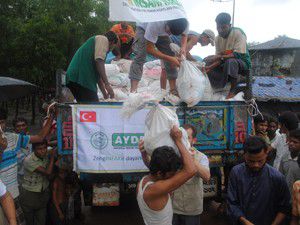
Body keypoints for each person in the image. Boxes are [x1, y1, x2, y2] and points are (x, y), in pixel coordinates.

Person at [0, 105, 56, 225]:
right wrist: (1, 149)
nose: (0, 126)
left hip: (13, 194)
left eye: (2, 122)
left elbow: (40, 137)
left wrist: (51, 116)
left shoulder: (12, 138)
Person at [137, 126, 196, 225]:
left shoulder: (144, 182)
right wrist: (178, 140)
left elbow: (152, 167)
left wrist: (143, 154)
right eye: (171, 173)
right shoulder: (155, 189)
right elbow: (191, 170)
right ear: (160, 173)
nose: (174, 175)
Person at [227, 136, 291, 225]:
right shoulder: (236, 173)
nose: (256, 165)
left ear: (266, 154)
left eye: (260, 161)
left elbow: (285, 207)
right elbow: (232, 203)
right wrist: (245, 222)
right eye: (251, 161)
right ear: (244, 155)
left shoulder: (277, 177)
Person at [129, 18, 189, 99]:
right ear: (167, 22)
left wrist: (183, 48)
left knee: (170, 52)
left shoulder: (184, 22)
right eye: (169, 31)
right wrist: (171, 58)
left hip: (161, 32)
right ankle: (133, 92)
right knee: (140, 56)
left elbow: (184, 35)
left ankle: (173, 90)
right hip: (144, 28)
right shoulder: (156, 22)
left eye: (172, 33)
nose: (170, 34)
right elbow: (149, 49)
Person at [204, 13, 251, 99]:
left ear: (229, 25)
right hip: (225, 63)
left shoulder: (238, 33)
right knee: (207, 61)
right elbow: (219, 59)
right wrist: (209, 67)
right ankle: (217, 87)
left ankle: (233, 90)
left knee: (231, 61)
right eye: (218, 28)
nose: (220, 30)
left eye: (223, 27)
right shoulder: (217, 39)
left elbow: (238, 54)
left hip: (242, 63)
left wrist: (219, 57)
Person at [172, 124, 211, 225]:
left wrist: (192, 160)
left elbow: (206, 176)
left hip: (191, 210)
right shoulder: (171, 156)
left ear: (194, 140)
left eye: (187, 138)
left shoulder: (201, 157)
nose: (183, 141)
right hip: (172, 209)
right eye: (181, 138)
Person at [66, 31, 119, 102]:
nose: (110, 50)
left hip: (75, 78)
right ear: (112, 42)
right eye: (112, 47)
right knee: (93, 107)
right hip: (81, 78)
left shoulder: (97, 46)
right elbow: (99, 60)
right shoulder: (103, 39)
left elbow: (98, 75)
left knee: (86, 107)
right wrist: (107, 84)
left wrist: (105, 94)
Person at [20, 141, 56, 225]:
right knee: (29, 220)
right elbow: (48, 172)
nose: (43, 151)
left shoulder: (47, 151)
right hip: (29, 194)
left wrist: (50, 144)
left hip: (43, 192)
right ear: (34, 149)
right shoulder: (29, 160)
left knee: (41, 220)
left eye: (44, 148)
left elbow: (57, 142)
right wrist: (52, 158)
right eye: (39, 149)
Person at [280, 129, 300, 194]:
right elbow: (280, 177)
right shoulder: (284, 158)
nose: (291, 144)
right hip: (285, 196)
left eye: (295, 142)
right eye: (290, 141)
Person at [12, 118, 32, 185]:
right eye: (18, 126)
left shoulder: (29, 138)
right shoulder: (12, 141)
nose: (21, 128)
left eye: (23, 125)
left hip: (30, 177)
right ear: (14, 128)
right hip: (17, 178)